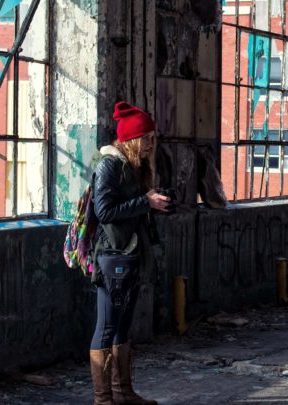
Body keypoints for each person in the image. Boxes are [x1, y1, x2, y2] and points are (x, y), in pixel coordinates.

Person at [89, 102, 171, 405]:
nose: (151, 144)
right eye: (146, 138)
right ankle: (103, 399)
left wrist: (155, 205)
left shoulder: (132, 166)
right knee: (107, 326)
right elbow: (105, 210)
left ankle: (122, 393)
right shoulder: (109, 165)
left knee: (122, 325)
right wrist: (145, 203)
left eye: (152, 138)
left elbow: (131, 207)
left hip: (129, 252)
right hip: (113, 255)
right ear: (132, 139)